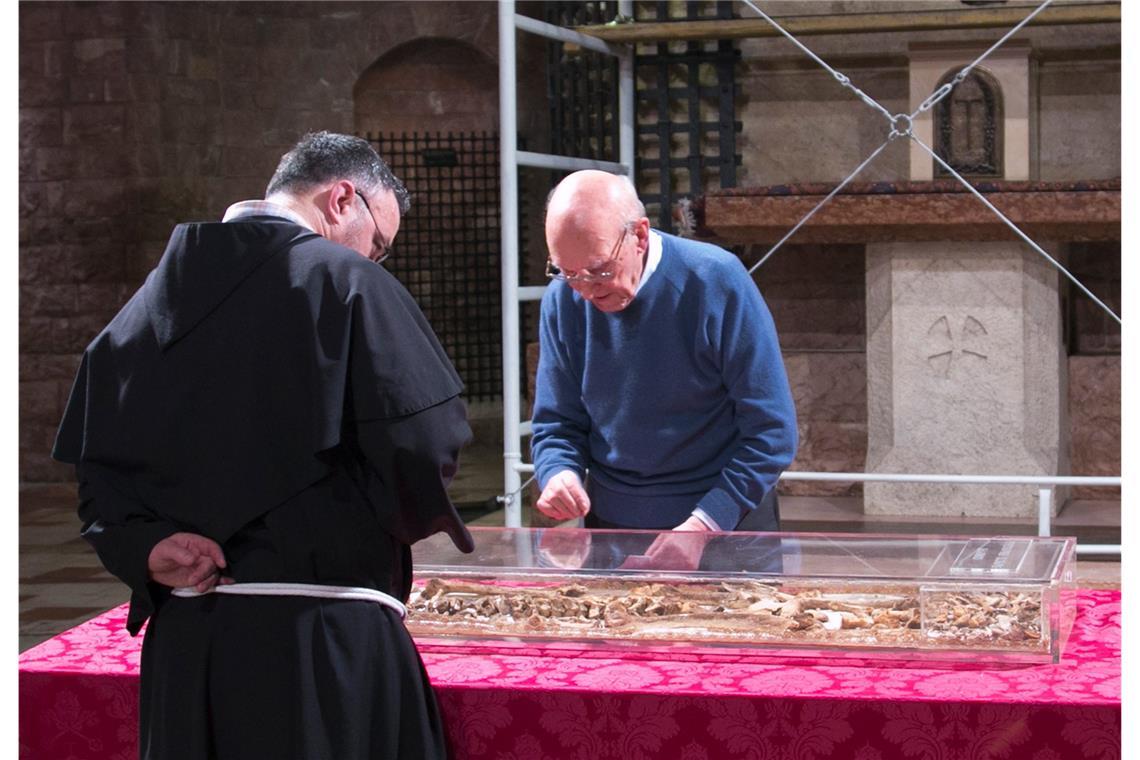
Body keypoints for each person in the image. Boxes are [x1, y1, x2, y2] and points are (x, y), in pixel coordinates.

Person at [53, 132, 473, 760]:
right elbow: (424, 443)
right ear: (342, 200)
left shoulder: (140, 310)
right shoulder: (351, 283)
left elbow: (99, 472)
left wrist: (145, 547)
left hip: (189, 650)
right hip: (321, 642)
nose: (375, 258)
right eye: (378, 243)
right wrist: (371, 523)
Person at [531, 170, 797, 570]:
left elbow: (772, 432)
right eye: (567, 273)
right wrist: (559, 472)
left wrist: (705, 523)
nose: (585, 290)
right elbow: (556, 424)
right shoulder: (562, 300)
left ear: (639, 236)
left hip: (724, 526)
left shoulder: (715, 280)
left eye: (599, 270)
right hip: (613, 528)